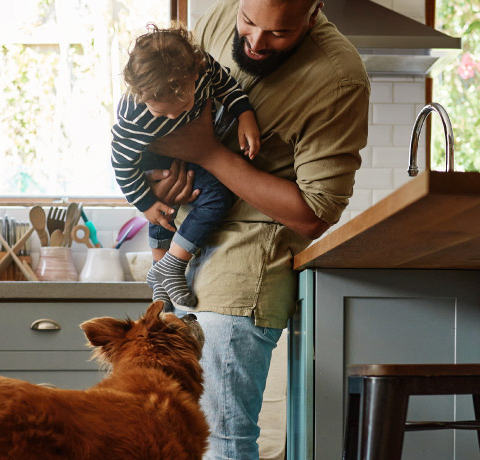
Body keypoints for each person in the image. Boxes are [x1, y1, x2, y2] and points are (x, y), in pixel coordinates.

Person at [138, 0, 369, 458]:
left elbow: (314, 214)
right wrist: (154, 183)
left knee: (220, 438)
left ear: (314, 9)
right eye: (249, 22)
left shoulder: (338, 79)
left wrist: (206, 154)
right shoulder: (218, 16)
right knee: (179, 434)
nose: (257, 42)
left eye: (280, 34)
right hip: (181, 254)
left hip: (244, 265)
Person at [111, 24, 262, 311]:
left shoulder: (204, 69)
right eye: (160, 111)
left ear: (195, 74)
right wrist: (145, 203)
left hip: (191, 150)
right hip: (150, 161)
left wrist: (244, 114)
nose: (170, 116)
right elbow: (120, 162)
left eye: (181, 105)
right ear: (141, 95)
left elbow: (227, 86)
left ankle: (169, 265)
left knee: (217, 199)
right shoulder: (135, 117)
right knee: (162, 212)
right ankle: (161, 277)